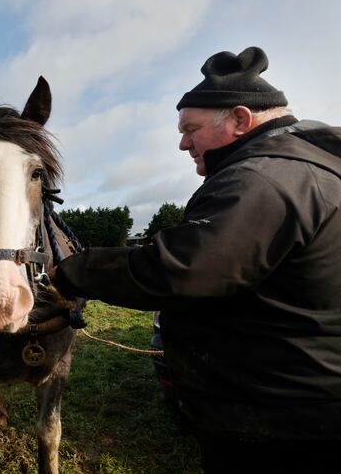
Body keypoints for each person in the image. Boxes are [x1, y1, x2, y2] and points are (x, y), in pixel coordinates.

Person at [51, 47, 341, 473]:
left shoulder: (262, 180)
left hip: (278, 418)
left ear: (241, 120)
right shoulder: (311, 170)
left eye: (191, 129)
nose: (182, 143)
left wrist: (73, 271)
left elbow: (180, 268)